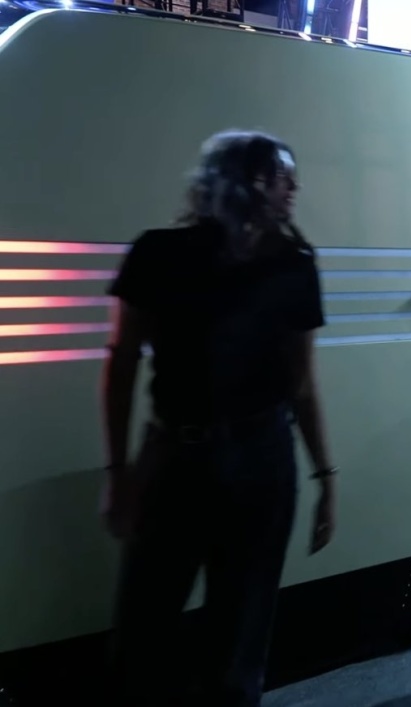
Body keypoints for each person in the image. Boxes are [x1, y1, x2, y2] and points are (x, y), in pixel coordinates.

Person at [99, 130, 338, 707]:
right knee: (149, 628)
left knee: (233, 635)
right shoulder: (161, 253)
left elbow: (302, 384)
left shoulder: (294, 263)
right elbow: (121, 362)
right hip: (201, 458)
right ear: (249, 182)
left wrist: (325, 475)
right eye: (282, 177)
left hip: (239, 456)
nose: (293, 189)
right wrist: (119, 472)